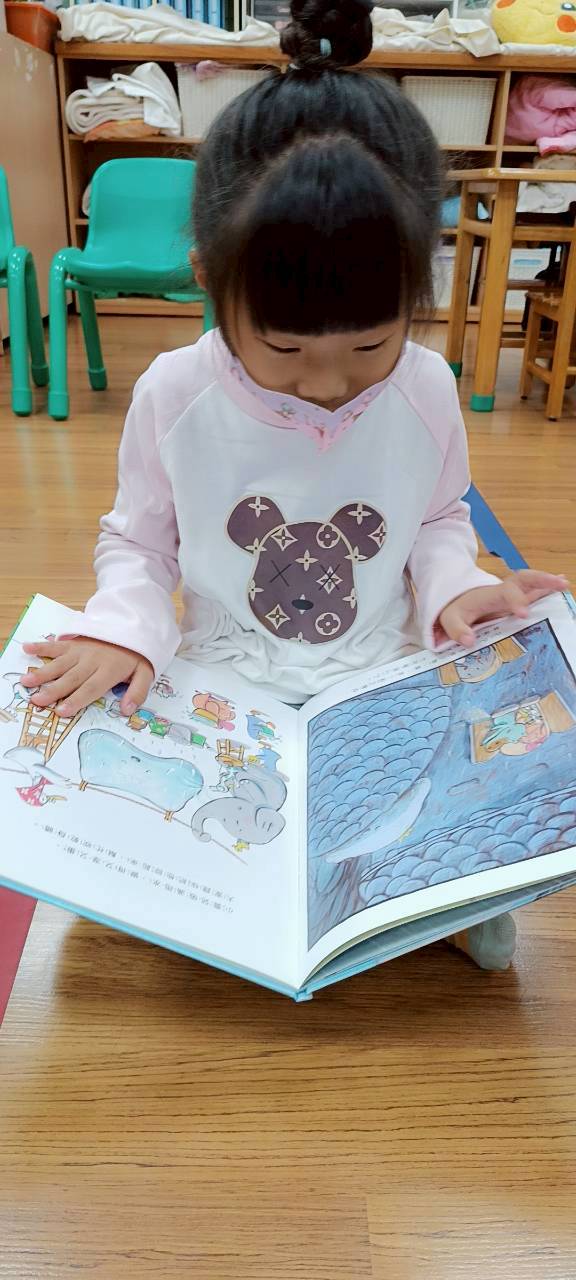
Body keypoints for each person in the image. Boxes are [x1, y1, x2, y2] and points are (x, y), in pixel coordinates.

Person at [22, 0, 566, 969]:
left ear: (419, 288)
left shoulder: (427, 389)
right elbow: (138, 543)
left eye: (369, 345)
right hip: (228, 670)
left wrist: (457, 586)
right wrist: (126, 627)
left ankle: (423, 894)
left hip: (374, 669)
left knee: (420, 783)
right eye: (282, 349)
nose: (326, 384)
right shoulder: (175, 394)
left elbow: (437, 516)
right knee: (171, 800)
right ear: (209, 279)